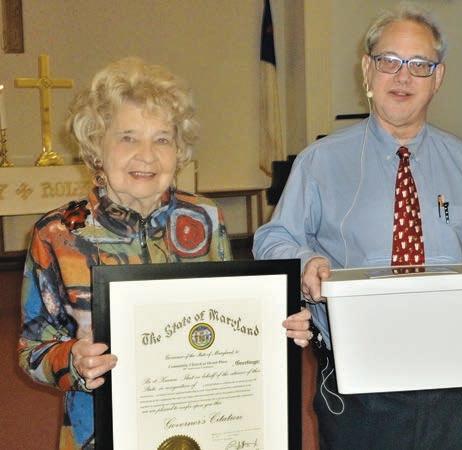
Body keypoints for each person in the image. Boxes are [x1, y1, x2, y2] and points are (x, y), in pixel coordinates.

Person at [254, 5, 462, 449]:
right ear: (367, 69)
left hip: (452, 373)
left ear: (437, 77)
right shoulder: (320, 162)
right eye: (389, 61)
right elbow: (273, 238)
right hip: (357, 379)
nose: (403, 77)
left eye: (420, 65)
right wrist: (305, 263)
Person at [16, 57, 300, 450]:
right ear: (96, 147)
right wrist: (74, 362)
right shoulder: (58, 233)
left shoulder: (205, 218)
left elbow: (230, 320)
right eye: (128, 137)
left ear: (179, 150)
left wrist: (278, 325)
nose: (147, 155)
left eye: (163, 139)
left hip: (205, 424)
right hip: (100, 429)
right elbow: (32, 351)